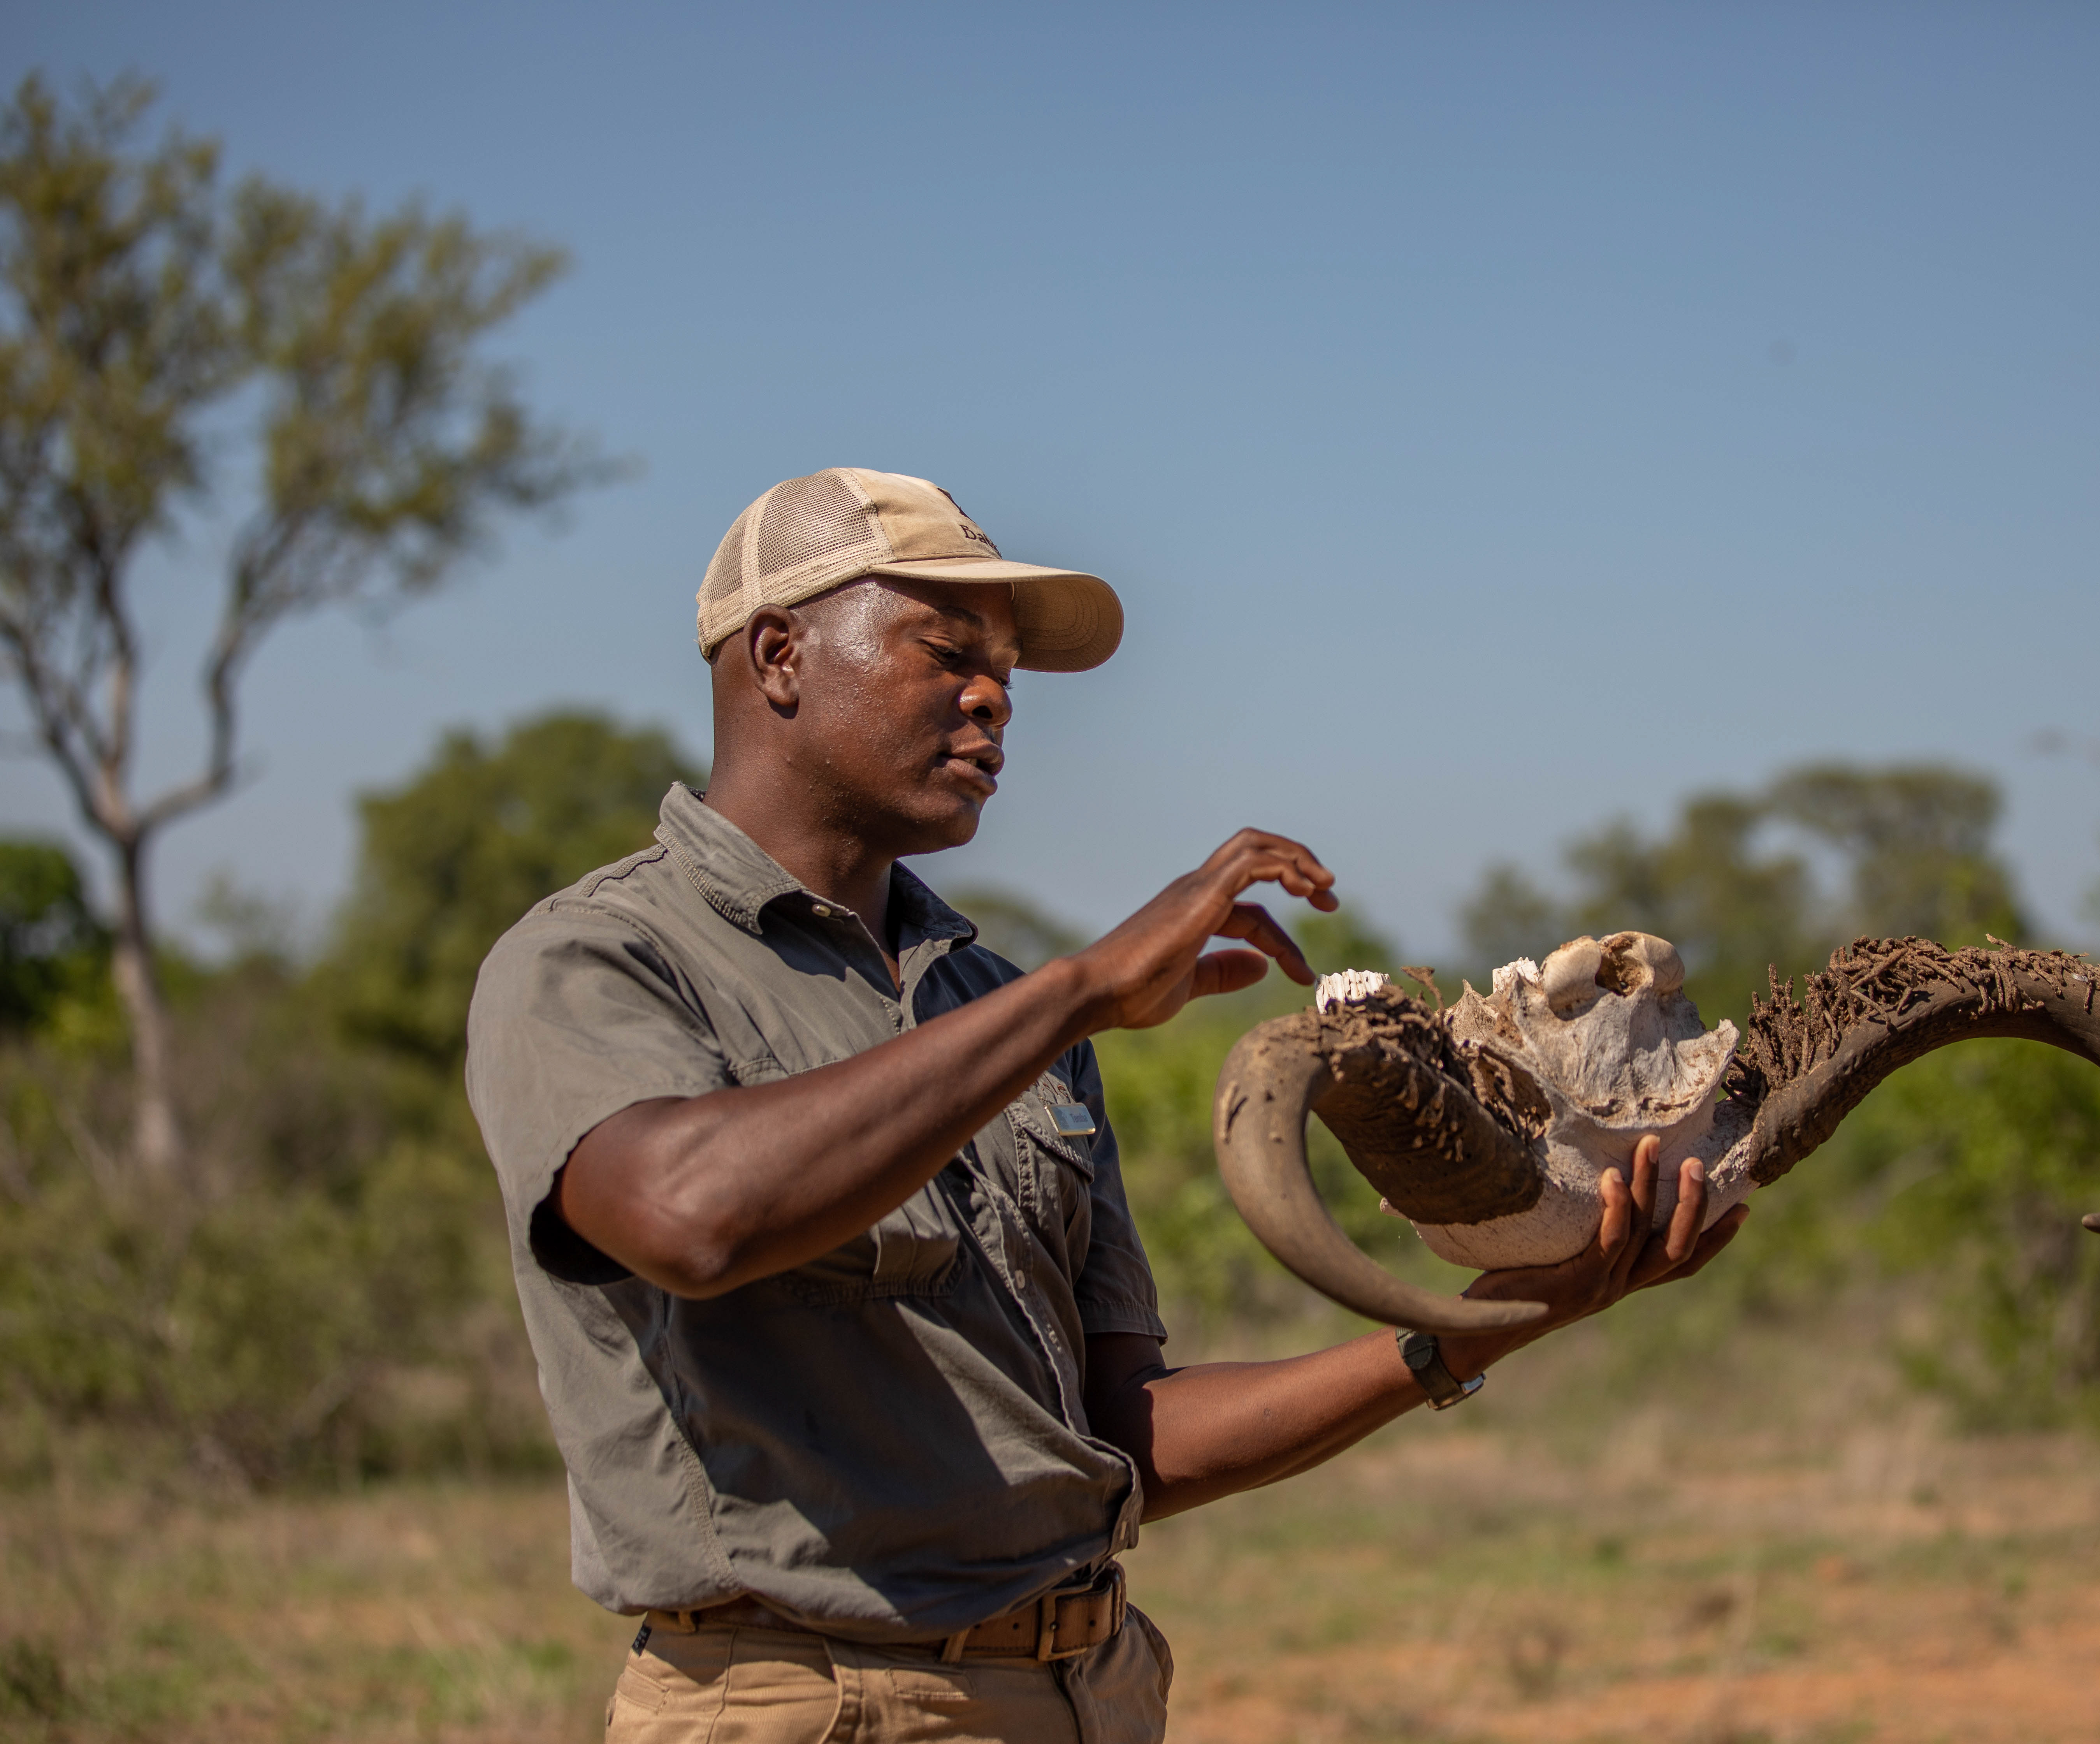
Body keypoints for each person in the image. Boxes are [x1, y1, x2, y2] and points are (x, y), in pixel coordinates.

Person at [465, 467, 1748, 1744]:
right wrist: (1080, 992)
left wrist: (1492, 1321)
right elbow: (695, 1218)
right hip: (810, 1704)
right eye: (945, 651)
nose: (993, 701)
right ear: (782, 655)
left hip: (1090, 1691)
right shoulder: (599, 960)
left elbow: (1117, 1438)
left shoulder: (989, 1004)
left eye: (1010, 674)